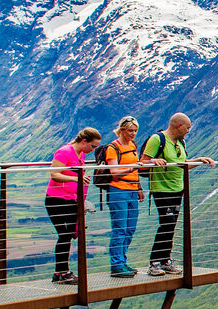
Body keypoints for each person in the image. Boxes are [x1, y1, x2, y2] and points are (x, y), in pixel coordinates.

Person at [139, 112, 216, 277]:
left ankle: (165, 260)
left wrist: (199, 160)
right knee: (166, 223)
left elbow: (182, 165)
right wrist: (153, 161)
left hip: (177, 188)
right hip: (161, 189)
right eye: (187, 128)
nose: (188, 131)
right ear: (178, 125)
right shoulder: (157, 139)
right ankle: (154, 262)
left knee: (172, 224)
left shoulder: (180, 142)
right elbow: (142, 162)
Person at [46, 127, 103, 285]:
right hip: (56, 199)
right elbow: (54, 174)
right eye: (92, 146)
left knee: (69, 234)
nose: (93, 150)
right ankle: (62, 272)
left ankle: (61, 272)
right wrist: (76, 179)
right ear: (84, 141)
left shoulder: (81, 154)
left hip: (71, 200)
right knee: (64, 235)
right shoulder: (64, 152)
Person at [100, 115, 145, 278]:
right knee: (120, 228)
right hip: (118, 190)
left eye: (135, 131)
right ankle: (117, 264)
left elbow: (136, 169)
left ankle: (123, 261)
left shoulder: (133, 145)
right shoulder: (113, 147)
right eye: (130, 131)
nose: (133, 134)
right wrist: (131, 168)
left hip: (132, 190)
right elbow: (115, 172)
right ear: (122, 130)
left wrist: (139, 186)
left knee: (130, 229)